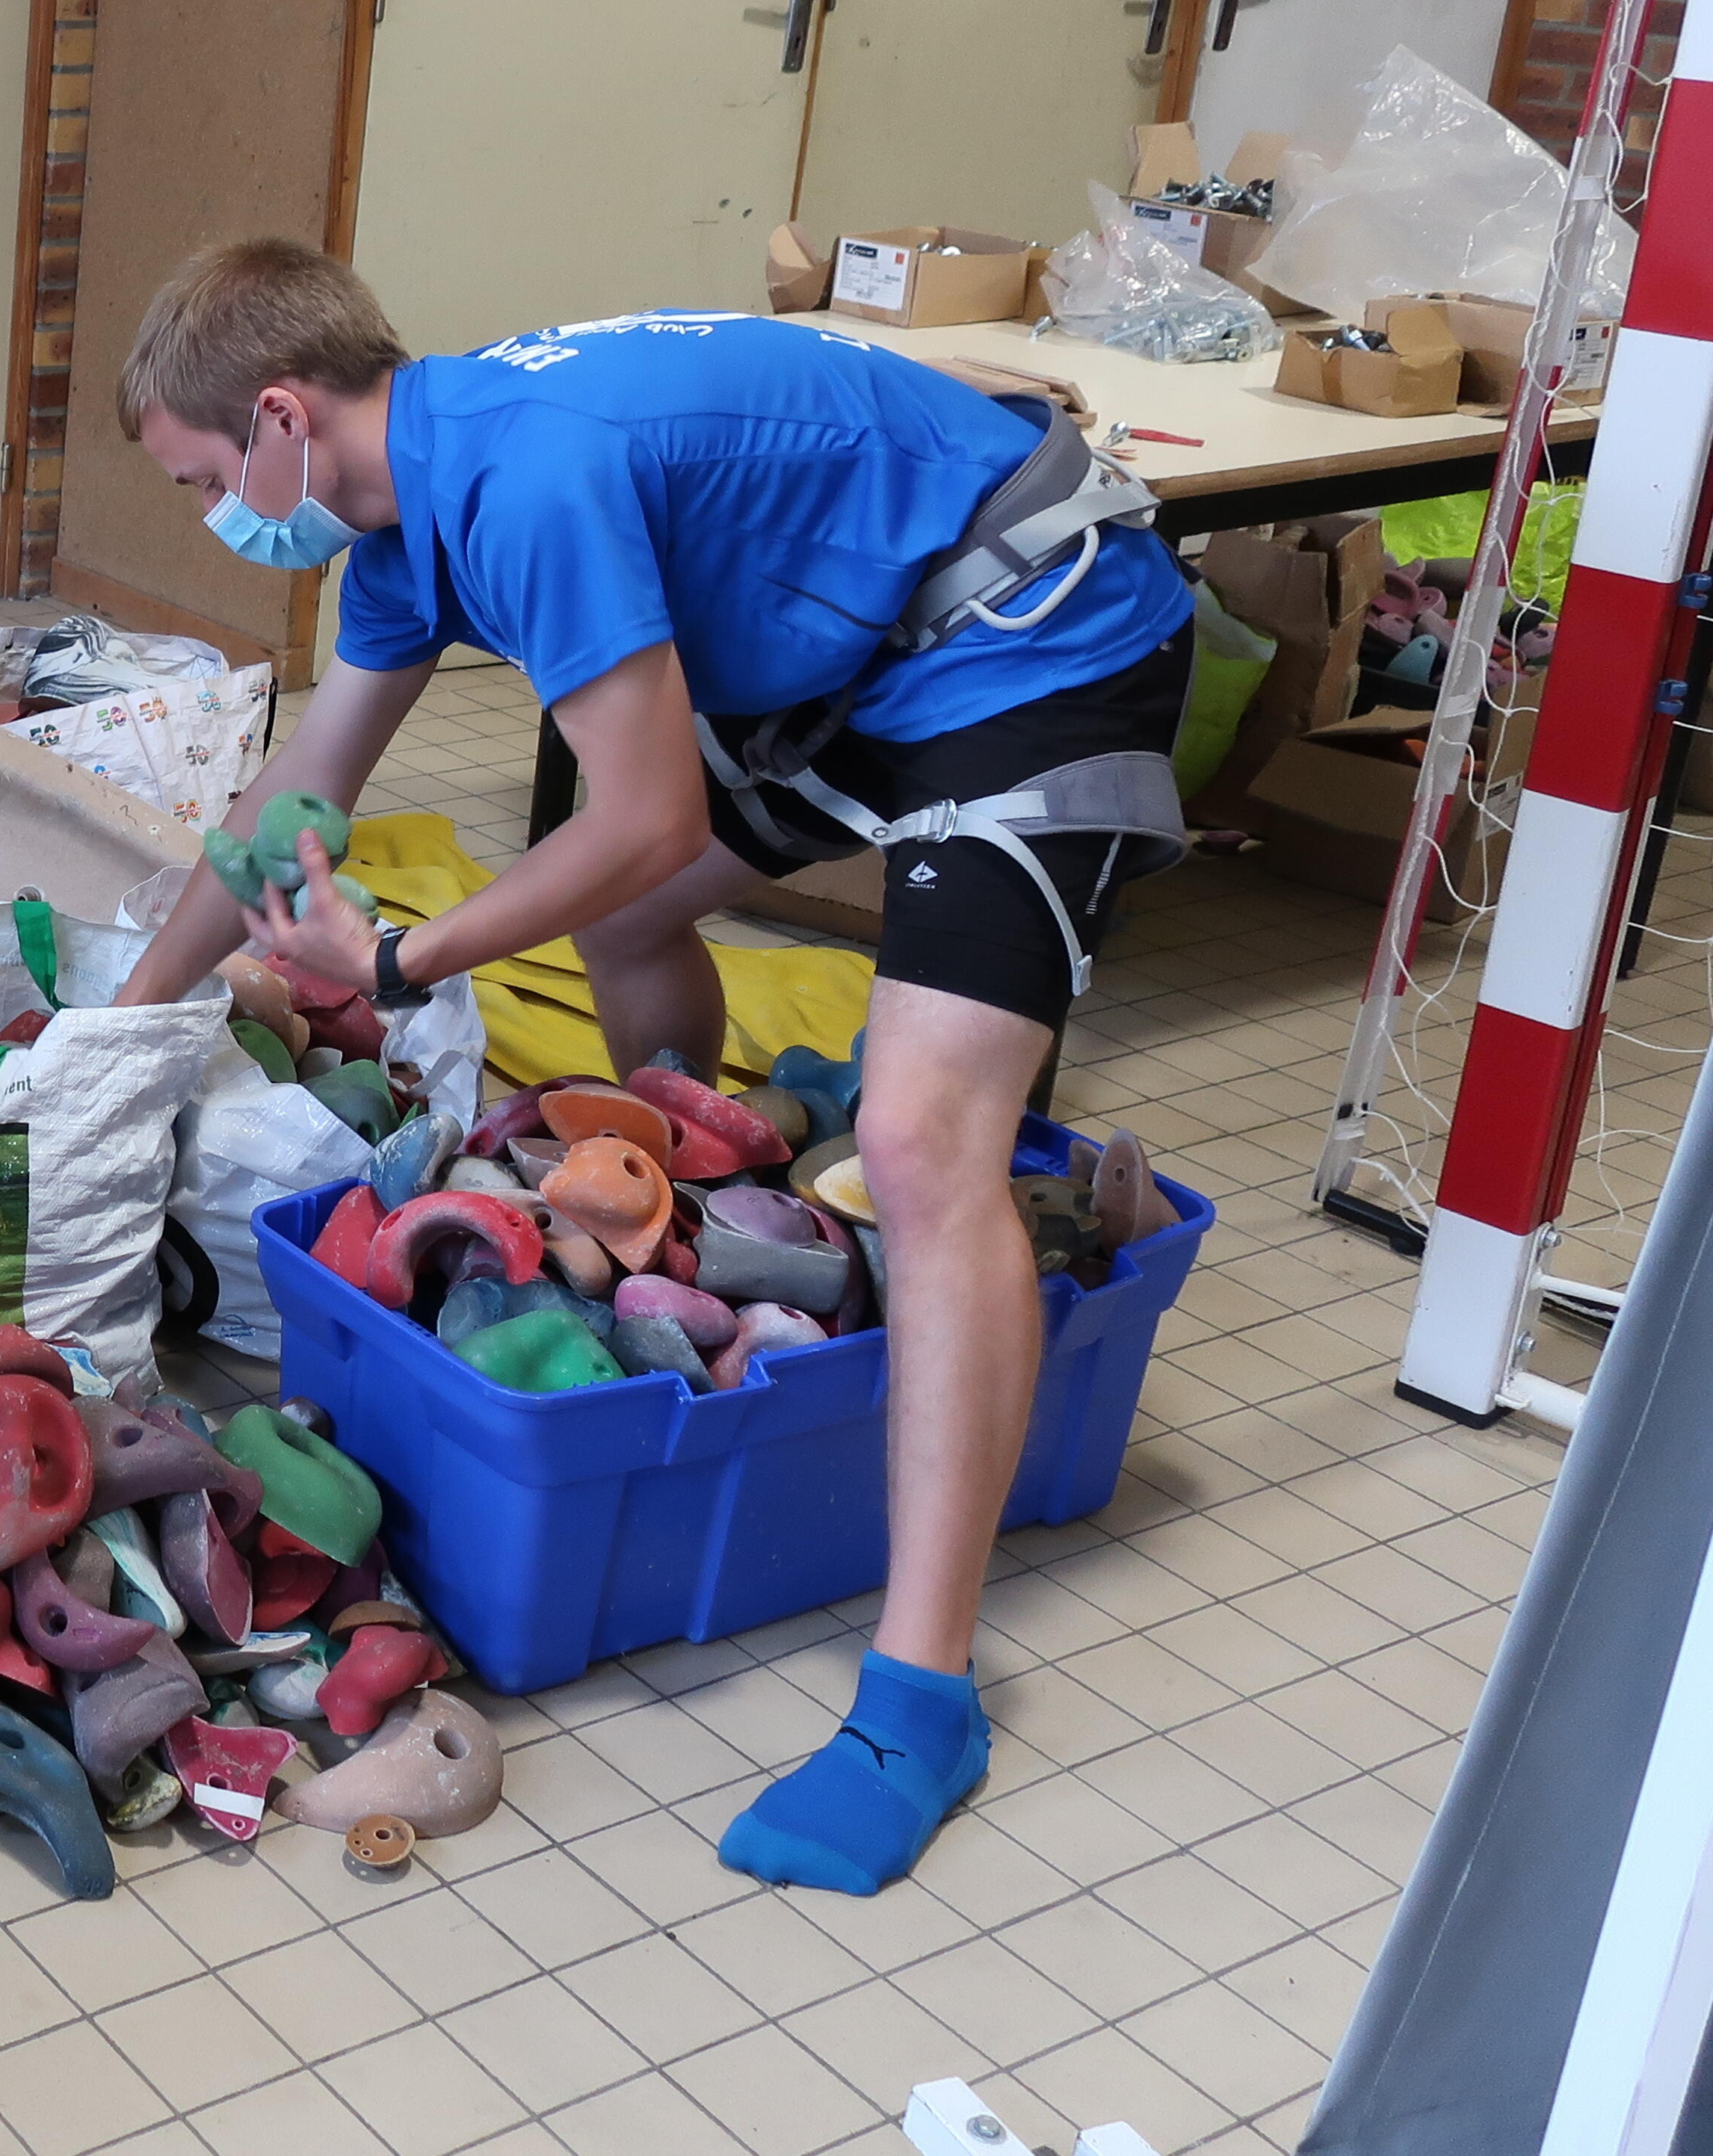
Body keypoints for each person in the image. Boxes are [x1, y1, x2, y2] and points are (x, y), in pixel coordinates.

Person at [108, 238, 1193, 1897]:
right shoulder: (403, 516)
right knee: (626, 925)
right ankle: (710, 1209)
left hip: (1030, 627)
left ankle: (921, 1702)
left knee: (923, 1141)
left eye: (201, 481)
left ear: (277, 419)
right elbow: (290, 803)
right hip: (859, 656)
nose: (213, 517)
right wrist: (119, 1027)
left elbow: (641, 817)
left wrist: (394, 962)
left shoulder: (523, 480)